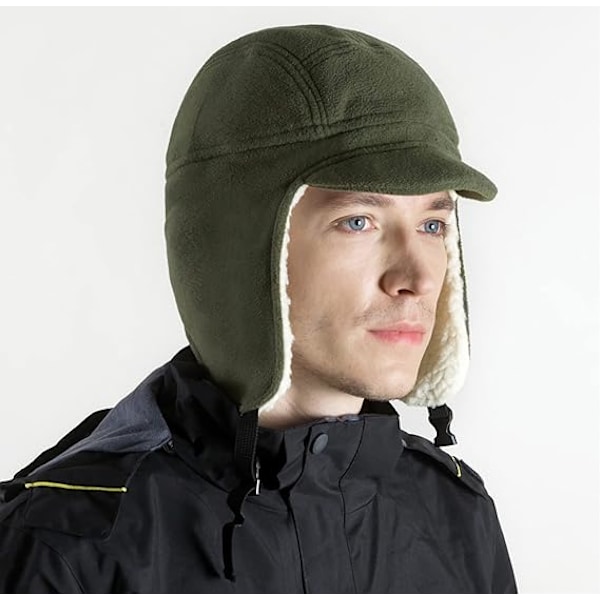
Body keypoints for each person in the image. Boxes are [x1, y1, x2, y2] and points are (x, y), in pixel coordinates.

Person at [0, 24, 518, 593]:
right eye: (358, 221)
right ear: (240, 248)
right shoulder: (68, 546)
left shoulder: (454, 513)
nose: (416, 279)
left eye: (432, 225)